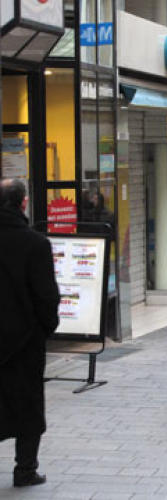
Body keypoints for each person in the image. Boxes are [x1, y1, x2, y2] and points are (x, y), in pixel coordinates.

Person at [0, 178, 60, 487]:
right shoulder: (36, 244)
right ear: (23, 202)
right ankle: (25, 468)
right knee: (28, 403)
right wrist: (45, 328)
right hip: (25, 340)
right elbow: (46, 296)